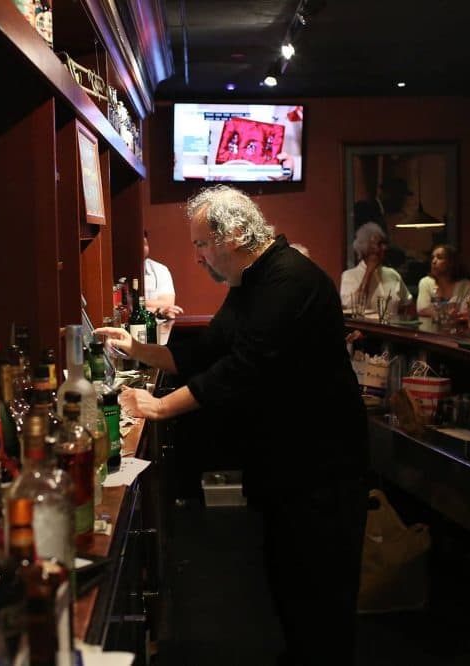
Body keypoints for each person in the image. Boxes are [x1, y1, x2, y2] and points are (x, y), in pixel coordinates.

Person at [95, 185, 368, 665]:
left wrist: (157, 408)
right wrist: (136, 348)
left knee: (321, 589)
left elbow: (242, 368)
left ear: (236, 234)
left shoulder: (289, 282)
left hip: (322, 461)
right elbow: (205, 352)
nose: (197, 257)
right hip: (284, 459)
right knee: (287, 577)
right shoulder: (250, 283)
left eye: (202, 244)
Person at [340, 222, 410, 314]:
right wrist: (368, 272)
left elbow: (406, 303)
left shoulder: (393, 274)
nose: (384, 248)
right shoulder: (349, 275)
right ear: (365, 248)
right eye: (379, 244)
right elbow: (350, 307)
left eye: (384, 243)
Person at [416, 244, 470, 316]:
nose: (434, 261)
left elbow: (465, 311)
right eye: (432, 258)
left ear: (451, 262)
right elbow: (422, 309)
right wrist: (447, 312)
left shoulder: (465, 284)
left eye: (439, 258)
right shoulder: (425, 282)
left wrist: (437, 310)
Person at [143, 230, 183, 318]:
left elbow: (168, 304)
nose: (142, 248)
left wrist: (134, 303)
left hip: (157, 326)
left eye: (145, 244)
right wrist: (158, 310)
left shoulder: (160, 270)